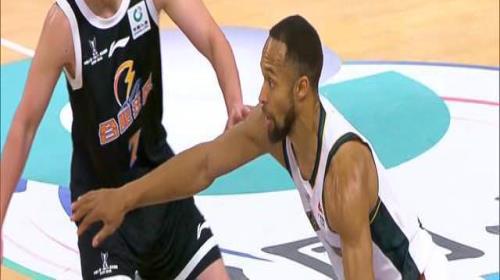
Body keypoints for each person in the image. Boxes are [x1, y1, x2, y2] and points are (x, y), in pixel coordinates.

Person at [0, 0, 249, 280]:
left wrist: (235, 103)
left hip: (160, 188)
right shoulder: (63, 24)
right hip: (102, 214)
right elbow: (24, 125)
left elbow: (212, 38)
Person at [73, 15, 451, 280]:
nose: (261, 96)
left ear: (301, 88)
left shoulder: (345, 172)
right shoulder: (276, 128)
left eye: (272, 82)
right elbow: (204, 164)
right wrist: (125, 197)